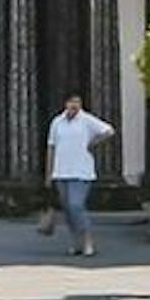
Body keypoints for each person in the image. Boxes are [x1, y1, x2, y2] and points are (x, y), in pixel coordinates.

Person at [43, 95, 113, 257]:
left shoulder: (86, 120)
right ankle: (76, 242)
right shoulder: (57, 122)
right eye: (71, 102)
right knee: (68, 210)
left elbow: (108, 130)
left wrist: (93, 142)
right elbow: (51, 147)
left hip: (81, 172)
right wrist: (49, 173)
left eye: (77, 102)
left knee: (76, 205)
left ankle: (88, 240)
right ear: (65, 104)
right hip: (61, 171)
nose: (74, 105)